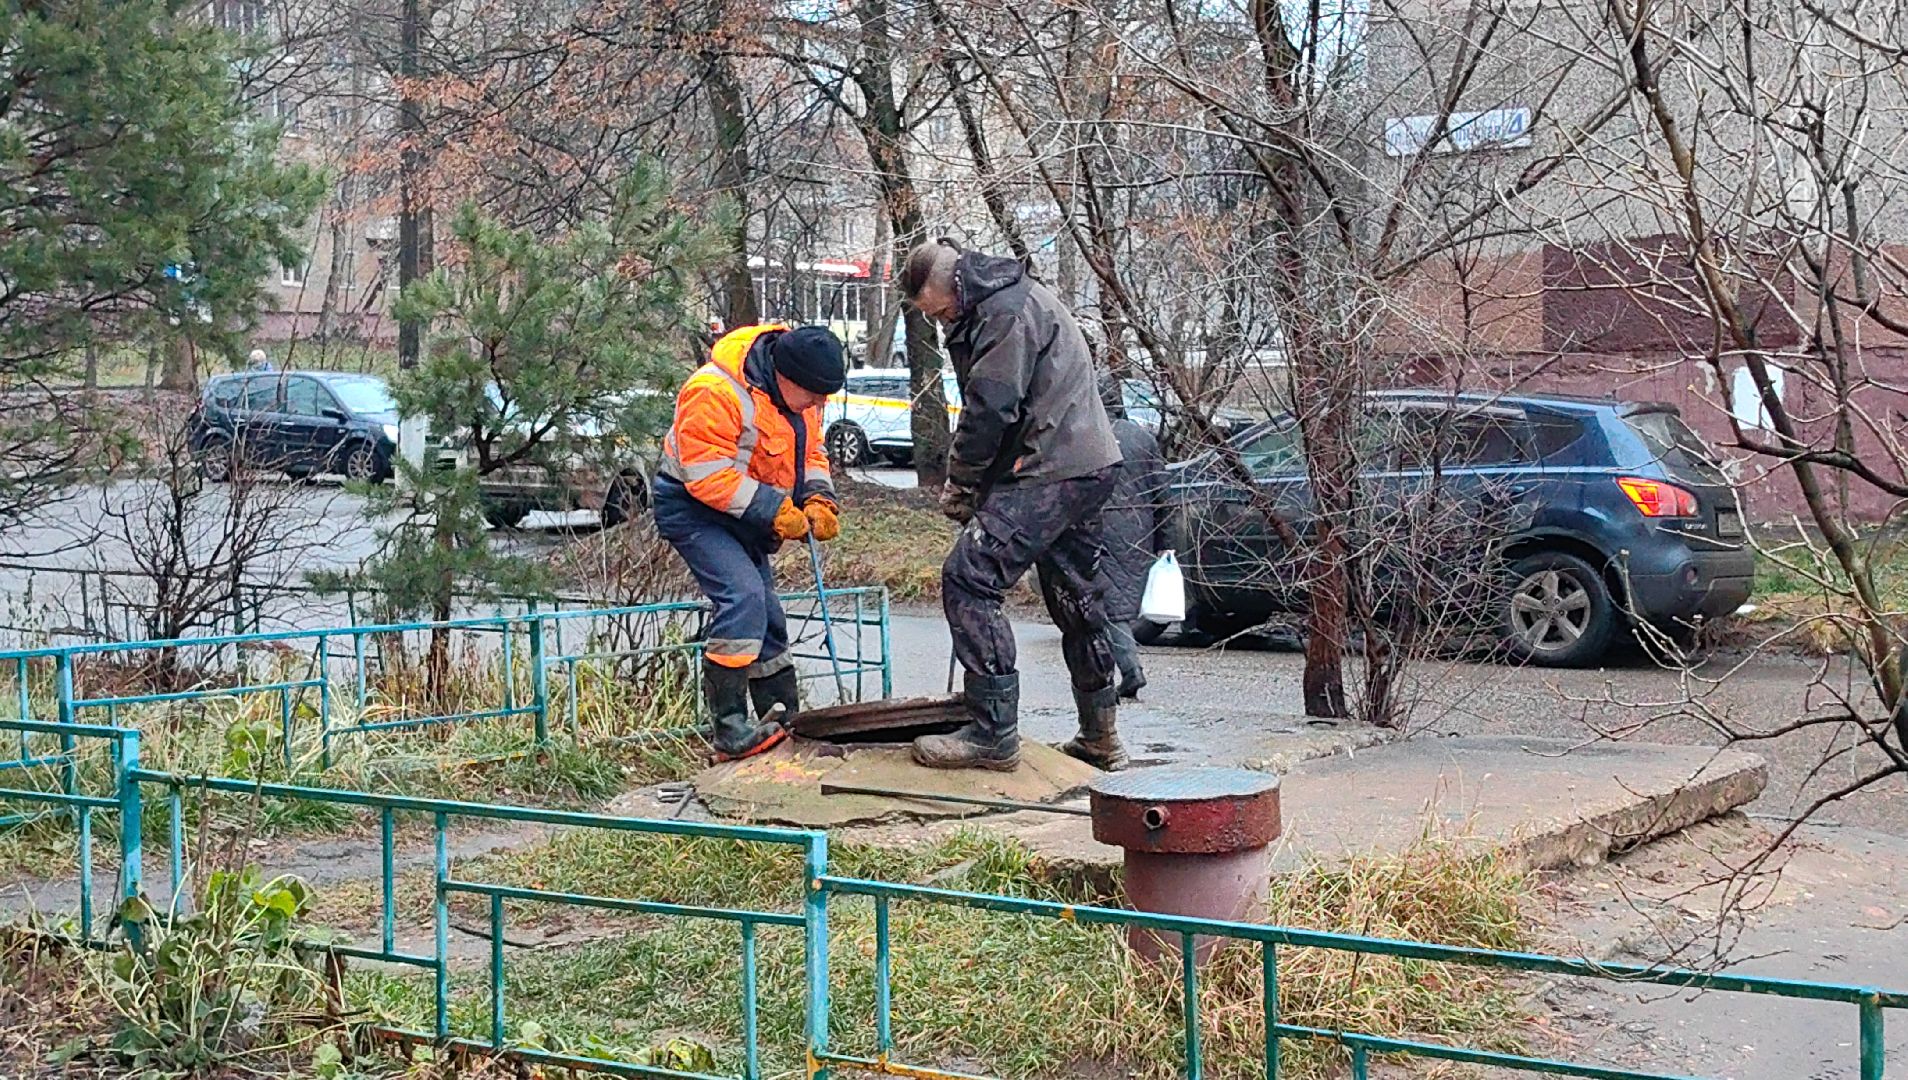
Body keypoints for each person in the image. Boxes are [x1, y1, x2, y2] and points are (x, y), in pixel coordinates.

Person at [899, 239, 1128, 772]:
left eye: (940, 312)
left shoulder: (1003, 312)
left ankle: (991, 733)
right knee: (1074, 593)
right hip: (1085, 464)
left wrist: (962, 481)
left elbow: (991, 408)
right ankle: (1101, 735)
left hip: (1051, 467)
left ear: (950, 289)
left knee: (970, 576)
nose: (942, 322)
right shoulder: (1006, 297)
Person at [653, 323, 846, 761]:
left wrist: (819, 498)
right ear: (785, 376)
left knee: (766, 609)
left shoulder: (804, 395)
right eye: (815, 395)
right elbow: (707, 476)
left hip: (744, 510)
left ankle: (781, 714)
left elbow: (811, 452)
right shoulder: (715, 391)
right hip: (692, 508)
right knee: (743, 599)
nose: (820, 404)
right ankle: (730, 727)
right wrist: (775, 511)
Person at [1097, 376, 1170, 699]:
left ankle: (1130, 671)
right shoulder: (1143, 438)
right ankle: (1118, 672)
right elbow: (1163, 495)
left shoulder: (1089, 435)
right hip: (1141, 531)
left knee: (1109, 608)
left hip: (1099, 529)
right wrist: (1165, 543)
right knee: (1118, 605)